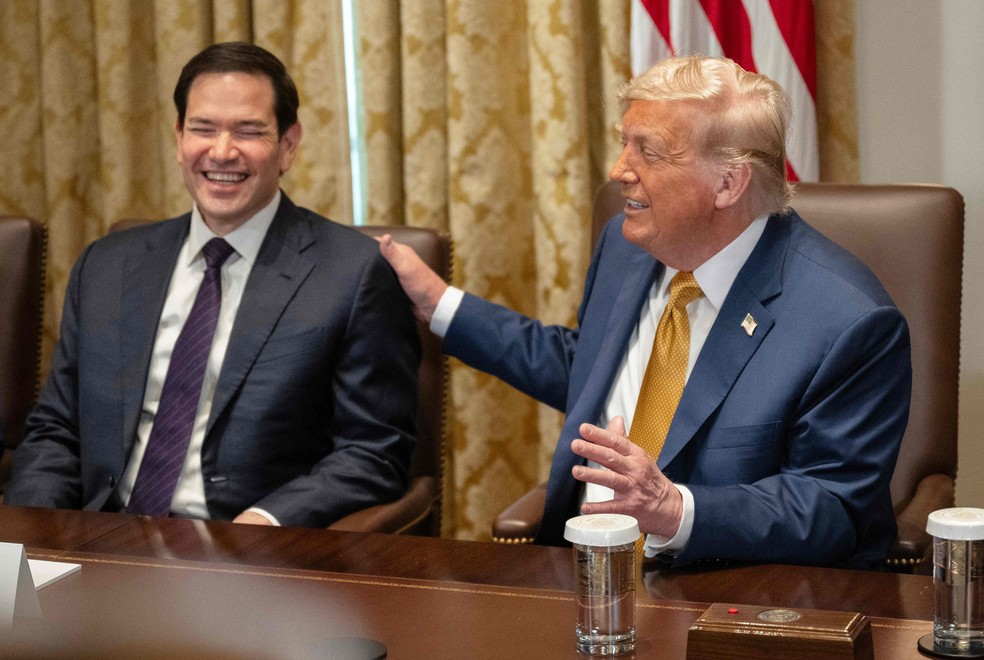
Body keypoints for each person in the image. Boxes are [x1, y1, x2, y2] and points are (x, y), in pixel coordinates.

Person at [379, 55, 911, 569]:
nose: (619, 171)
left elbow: (833, 508)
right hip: (582, 576)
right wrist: (440, 305)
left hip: (727, 596)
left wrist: (674, 509)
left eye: (649, 152)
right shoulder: (629, 244)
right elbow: (586, 366)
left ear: (728, 183)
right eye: (623, 144)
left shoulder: (848, 321)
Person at [5, 42, 420, 528]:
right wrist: (24, 547)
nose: (222, 152)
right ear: (179, 137)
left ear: (288, 144)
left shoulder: (352, 273)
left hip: (245, 552)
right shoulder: (107, 265)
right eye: (203, 129)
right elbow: (57, 431)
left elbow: (373, 452)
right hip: (102, 543)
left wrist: (263, 524)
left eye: (249, 131)